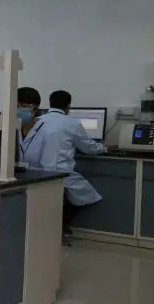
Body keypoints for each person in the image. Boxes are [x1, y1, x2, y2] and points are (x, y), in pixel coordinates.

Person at [40, 90, 107, 235]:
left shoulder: (39, 120)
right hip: (60, 172)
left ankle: (54, 228)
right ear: (68, 106)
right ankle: (58, 227)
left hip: (38, 171)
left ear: (50, 103)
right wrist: (104, 148)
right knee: (88, 196)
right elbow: (89, 148)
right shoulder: (71, 123)